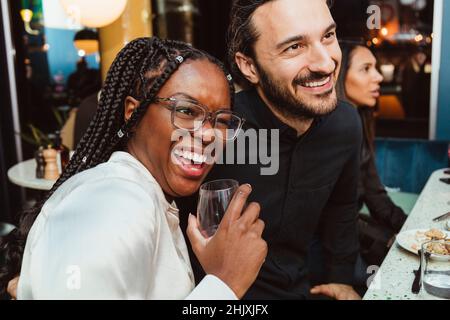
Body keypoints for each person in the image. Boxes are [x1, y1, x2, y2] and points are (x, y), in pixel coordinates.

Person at [0, 37, 267, 299]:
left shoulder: (144, 196)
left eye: (221, 120)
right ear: (133, 112)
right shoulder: (115, 202)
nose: (210, 135)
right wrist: (224, 283)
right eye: (186, 110)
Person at [178, 0, 362, 300]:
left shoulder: (346, 125)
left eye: (328, 36)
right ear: (249, 66)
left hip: (306, 289)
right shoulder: (218, 132)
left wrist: (342, 278)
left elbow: (342, 209)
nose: (326, 63)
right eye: (294, 47)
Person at [336, 41, 407, 267]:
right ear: (338, 75)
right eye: (365, 69)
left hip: (353, 229)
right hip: (332, 245)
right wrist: (383, 238)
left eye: (376, 68)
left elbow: (376, 196)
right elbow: (329, 218)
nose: (378, 77)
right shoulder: (326, 133)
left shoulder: (359, 122)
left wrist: (412, 227)